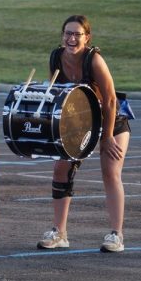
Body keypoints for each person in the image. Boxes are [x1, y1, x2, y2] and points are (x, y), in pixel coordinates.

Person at [36, 15, 131, 253]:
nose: (71, 38)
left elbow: (110, 100)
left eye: (77, 34)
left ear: (86, 38)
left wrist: (107, 136)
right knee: (61, 168)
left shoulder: (94, 60)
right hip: (80, 122)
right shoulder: (56, 57)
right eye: (68, 33)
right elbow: (57, 93)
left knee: (110, 172)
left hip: (111, 120)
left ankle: (116, 235)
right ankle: (60, 232)